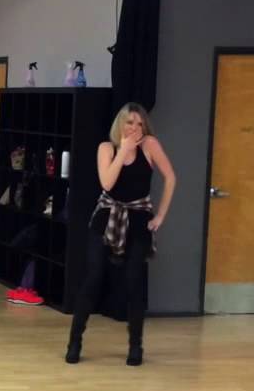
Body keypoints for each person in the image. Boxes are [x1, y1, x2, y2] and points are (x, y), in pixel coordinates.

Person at [65, 102, 176, 366]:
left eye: (140, 124)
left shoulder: (150, 145)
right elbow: (107, 183)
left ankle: (136, 345)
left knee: (134, 281)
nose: (135, 128)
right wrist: (124, 150)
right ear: (120, 124)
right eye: (130, 122)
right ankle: (74, 341)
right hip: (107, 217)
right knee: (93, 277)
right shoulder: (106, 148)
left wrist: (160, 215)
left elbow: (171, 177)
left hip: (138, 217)